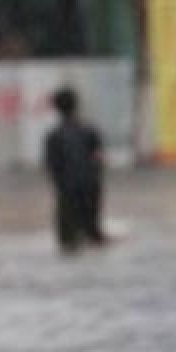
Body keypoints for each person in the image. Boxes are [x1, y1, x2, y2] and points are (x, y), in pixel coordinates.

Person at [44, 86, 107, 254]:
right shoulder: (90, 130)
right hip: (90, 185)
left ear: (56, 108)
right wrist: (96, 179)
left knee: (68, 241)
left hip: (68, 188)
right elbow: (99, 158)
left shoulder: (53, 136)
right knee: (93, 235)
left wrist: (60, 186)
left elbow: (52, 166)